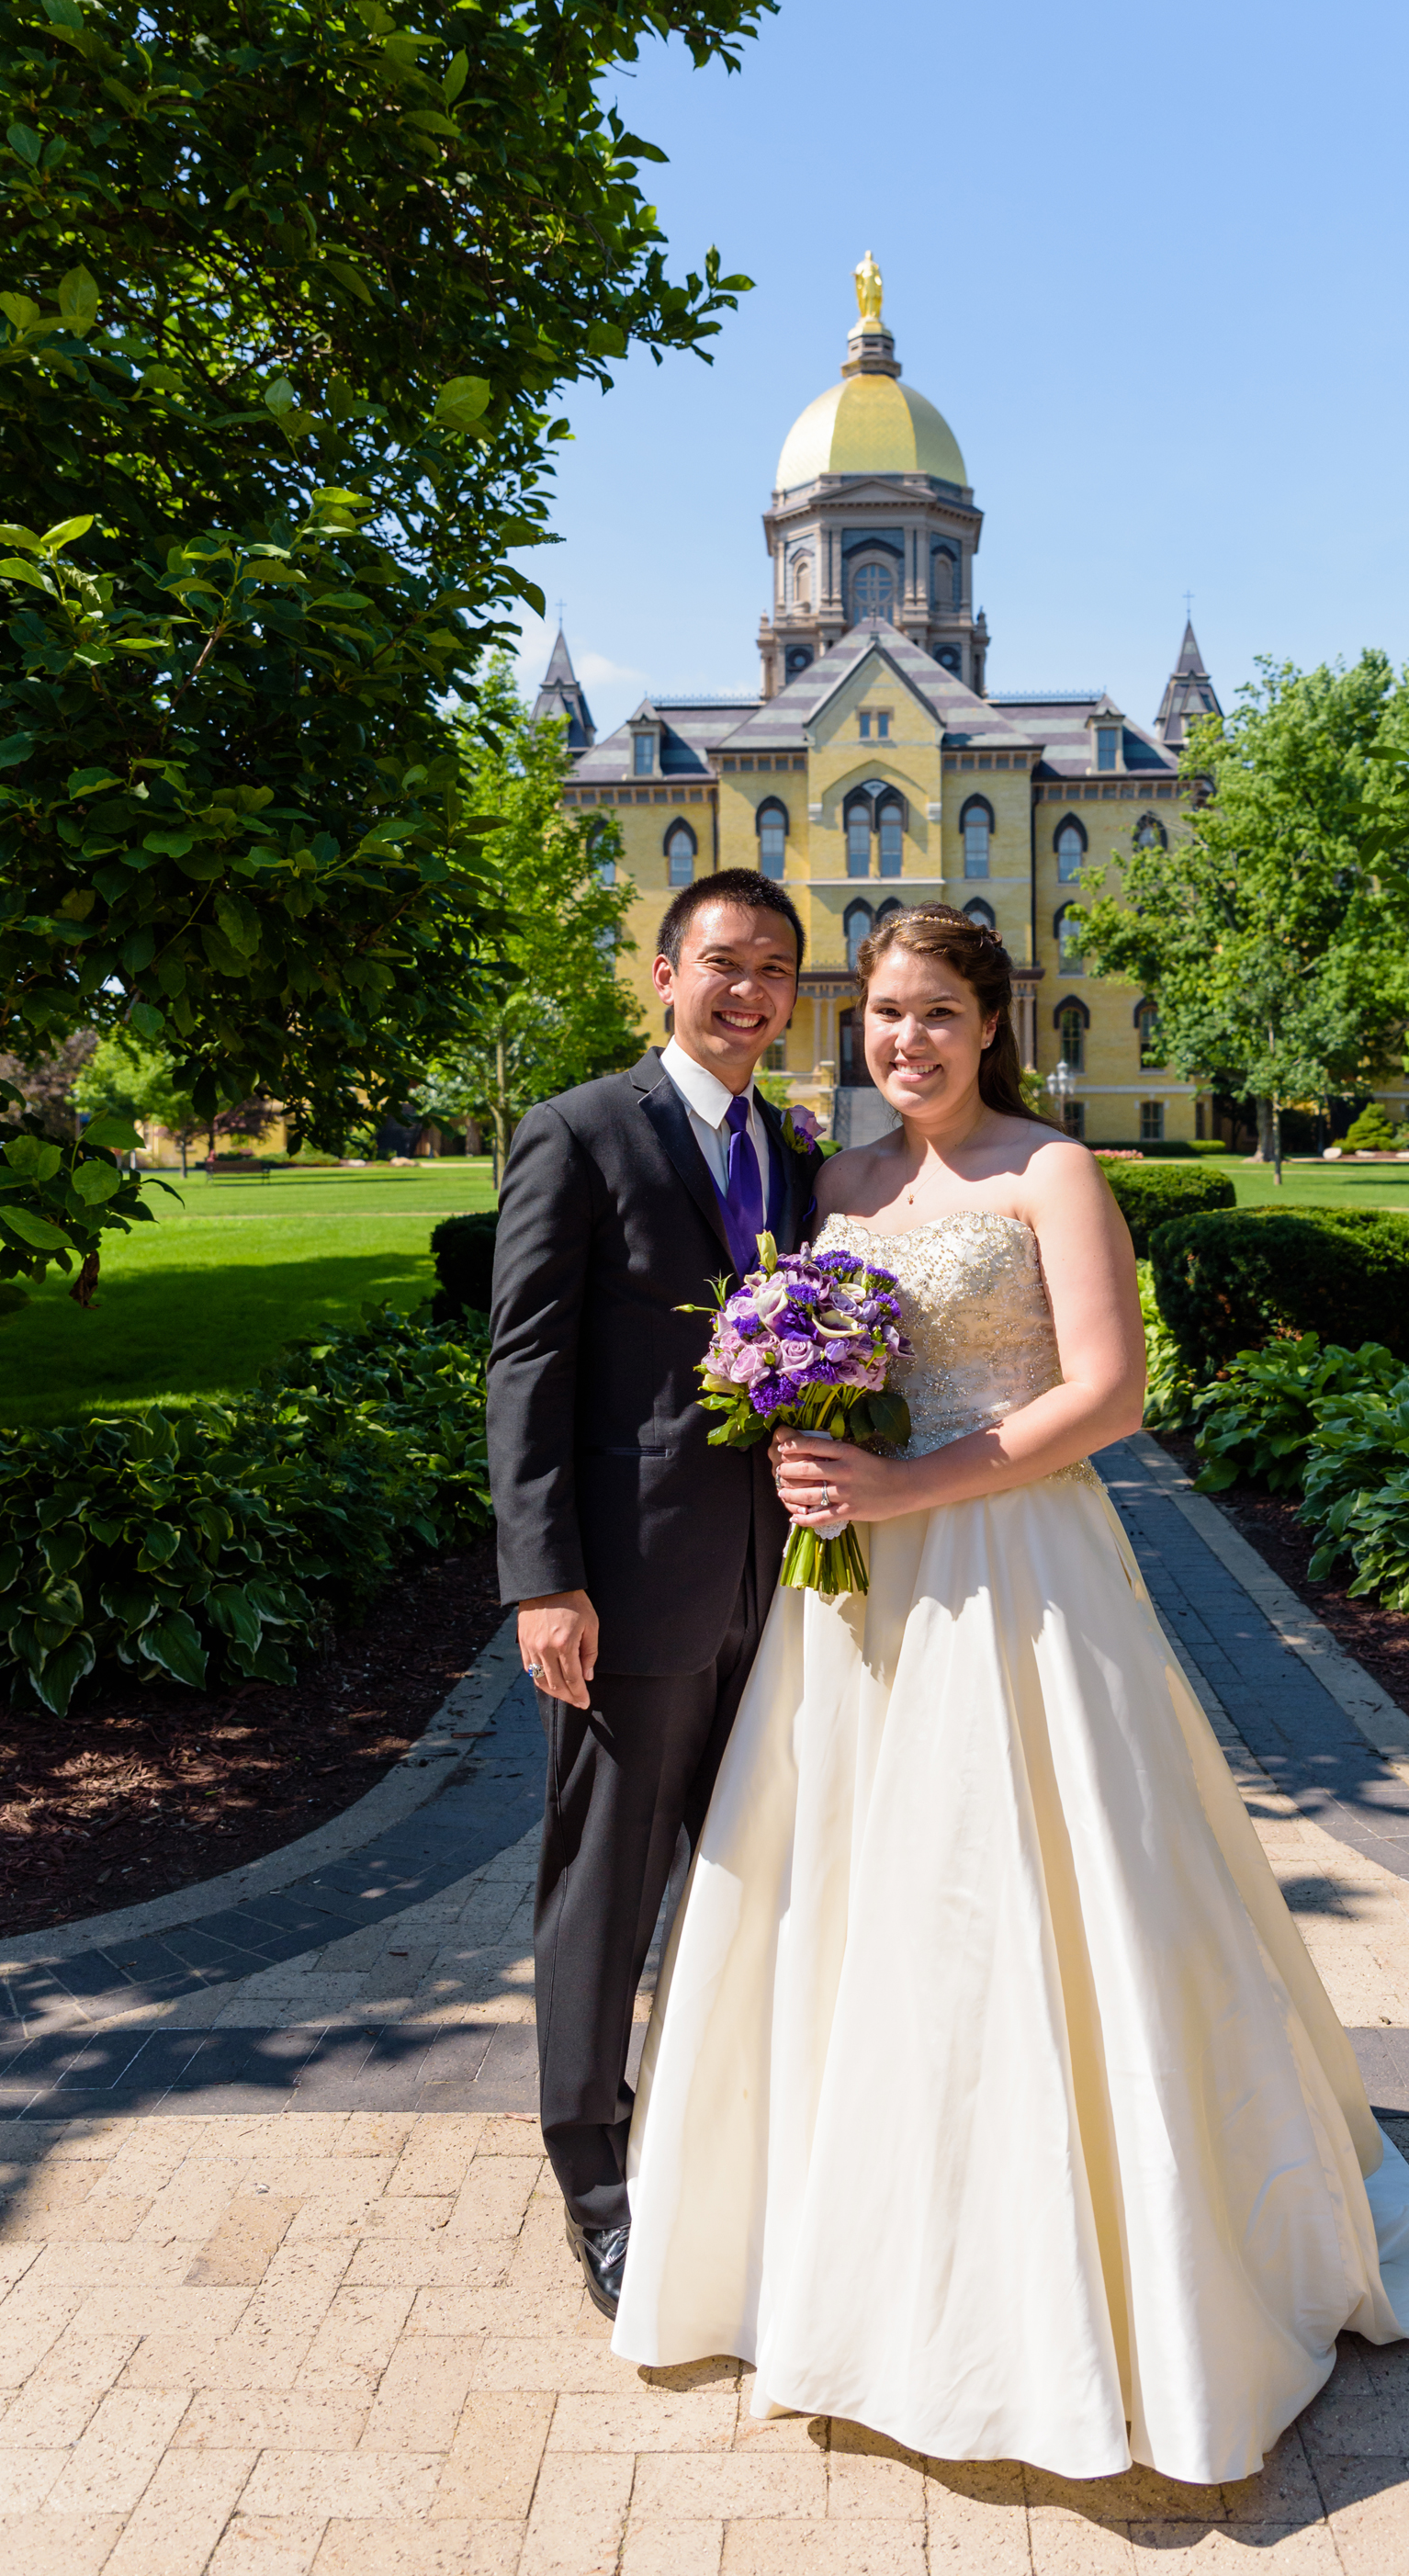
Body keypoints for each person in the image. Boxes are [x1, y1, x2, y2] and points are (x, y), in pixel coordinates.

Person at [610, 905, 1409, 2485]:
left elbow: (1109, 1393)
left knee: (1038, 1896)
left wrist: (903, 1484)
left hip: (1016, 1572)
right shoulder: (837, 1181)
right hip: (857, 1607)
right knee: (860, 1912)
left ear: (989, 1023)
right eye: (881, 1011)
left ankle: (1113, 2280)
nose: (906, 1041)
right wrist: (801, 1435)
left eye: (936, 1011)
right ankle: (850, 2268)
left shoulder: (1047, 1171)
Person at [487, 869, 823, 2318]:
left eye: (774, 973)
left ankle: (728, 2143)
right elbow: (528, 1366)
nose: (747, 992)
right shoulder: (578, 1132)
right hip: (625, 1589)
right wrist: (544, 1577)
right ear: (665, 977)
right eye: (723, 964)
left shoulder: (796, 1151)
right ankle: (598, 2184)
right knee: (603, 1892)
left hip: (783, 1586)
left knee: (758, 1876)